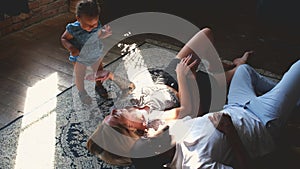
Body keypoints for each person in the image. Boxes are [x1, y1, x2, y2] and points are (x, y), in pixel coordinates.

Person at [89, 57, 300, 169]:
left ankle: (292, 103)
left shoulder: (171, 134)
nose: (159, 132)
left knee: (244, 72)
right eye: (154, 140)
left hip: (236, 107)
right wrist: (230, 132)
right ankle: (285, 101)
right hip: (260, 122)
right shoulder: (195, 163)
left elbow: (194, 116)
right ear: (159, 155)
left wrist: (188, 80)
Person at [85, 28, 255, 166]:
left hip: (166, 78)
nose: (113, 110)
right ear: (128, 128)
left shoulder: (130, 111)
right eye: (114, 116)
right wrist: (184, 77)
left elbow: (131, 88)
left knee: (206, 34)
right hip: (189, 88)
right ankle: (235, 67)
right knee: (240, 72)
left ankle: (217, 68)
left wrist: (111, 76)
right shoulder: (156, 128)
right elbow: (189, 111)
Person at [61, 0, 112, 104]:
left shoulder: (96, 25)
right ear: (78, 18)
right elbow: (63, 39)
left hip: (95, 54)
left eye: (94, 24)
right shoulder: (73, 29)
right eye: (87, 25)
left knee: (99, 72)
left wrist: (104, 34)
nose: (91, 27)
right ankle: (82, 92)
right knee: (80, 75)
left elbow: (97, 35)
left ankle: (99, 86)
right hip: (79, 57)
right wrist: (72, 48)